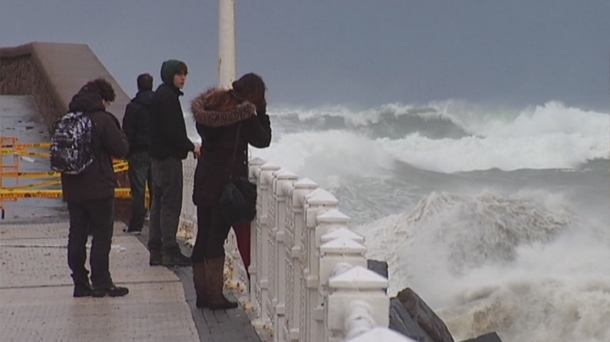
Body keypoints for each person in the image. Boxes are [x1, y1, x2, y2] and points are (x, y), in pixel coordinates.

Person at [190, 73, 271, 309]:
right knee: (216, 238)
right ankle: (214, 295)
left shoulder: (210, 108)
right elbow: (263, 139)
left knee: (203, 235)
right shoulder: (242, 115)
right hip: (225, 185)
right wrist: (262, 112)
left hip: (205, 178)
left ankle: (202, 294)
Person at [60, 78, 130, 297]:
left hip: (72, 187)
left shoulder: (69, 119)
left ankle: (80, 283)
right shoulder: (102, 119)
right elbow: (120, 149)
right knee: (101, 234)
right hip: (98, 188)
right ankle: (101, 281)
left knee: (77, 233)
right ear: (103, 99)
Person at [148, 60, 200, 267]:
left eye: (185, 74)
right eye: (179, 74)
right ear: (170, 75)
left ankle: (155, 250)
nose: (183, 78)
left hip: (157, 159)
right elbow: (173, 132)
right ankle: (169, 249)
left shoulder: (160, 95)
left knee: (158, 204)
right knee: (170, 205)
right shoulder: (168, 98)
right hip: (168, 160)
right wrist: (191, 147)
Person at [122, 73, 154, 234]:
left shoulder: (133, 107)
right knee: (157, 190)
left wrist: (127, 152)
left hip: (138, 153)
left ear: (138, 86)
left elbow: (128, 132)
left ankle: (136, 225)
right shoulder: (159, 105)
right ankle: (157, 226)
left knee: (139, 191)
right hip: (156, 153)